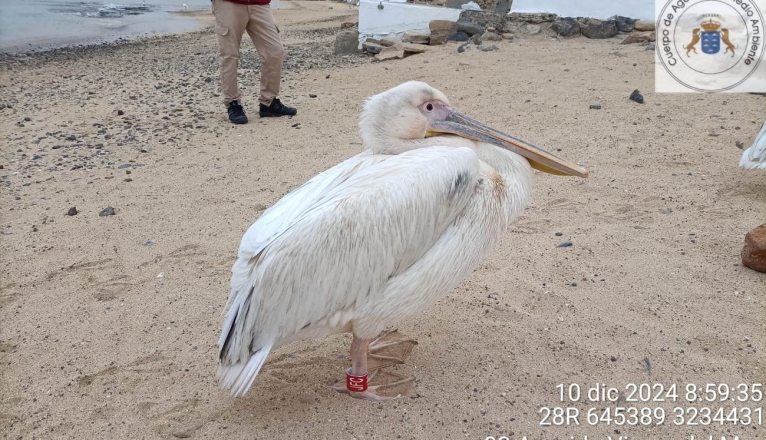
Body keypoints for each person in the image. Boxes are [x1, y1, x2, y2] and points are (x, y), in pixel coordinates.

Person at [211, 0, 297, 124]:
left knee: (274, 52)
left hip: (260, 3)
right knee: (229, 55)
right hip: (228, 3)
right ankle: (233, 104)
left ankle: (268, 102)